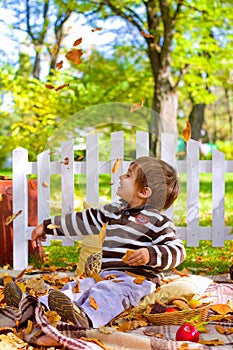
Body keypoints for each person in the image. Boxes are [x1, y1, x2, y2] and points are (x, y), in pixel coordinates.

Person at [28, 157, 185, 328]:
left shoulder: (158, 222)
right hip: (104, 276)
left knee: (108, 294)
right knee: (78, 286)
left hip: (135, 283)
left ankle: (86, 318)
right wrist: (48, 226)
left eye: (128, 175)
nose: (121, 177)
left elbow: (177, 250)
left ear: (144, 192)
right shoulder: (114, 211)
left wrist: (150, 254)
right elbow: (84, 220)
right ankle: (37, 307)